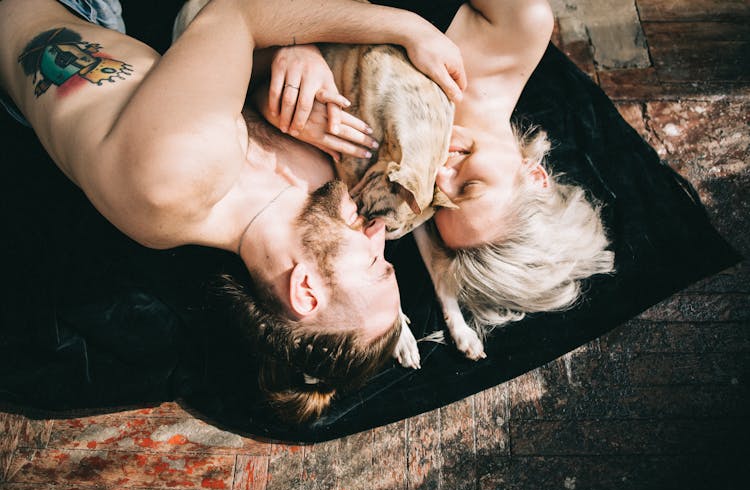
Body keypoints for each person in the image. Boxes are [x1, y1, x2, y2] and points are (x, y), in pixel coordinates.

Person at [0, 0, 468, 422]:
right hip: (121, 34)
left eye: (374, 264)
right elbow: (214, 59)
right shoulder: (310, 184)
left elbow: (233, 16)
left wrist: (410, 29)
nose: (379, 234)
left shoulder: (171, 183)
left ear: (305, 289)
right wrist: (286, 64)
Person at [262, 0, 615, 337]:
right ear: (536, 176)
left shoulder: (375, 168)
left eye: (439, 201)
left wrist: (294, 63)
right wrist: (407, 30)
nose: (442, 173)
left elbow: (253, 52)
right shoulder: (519, 29)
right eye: (471, 186)